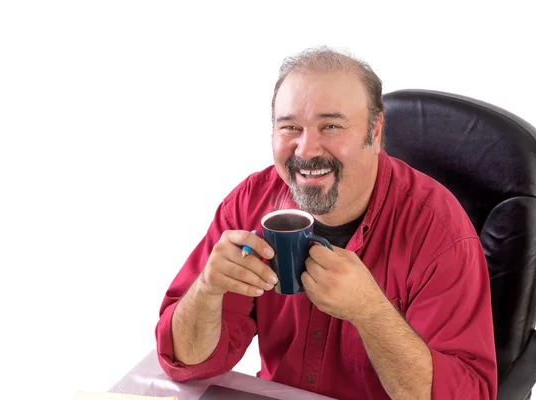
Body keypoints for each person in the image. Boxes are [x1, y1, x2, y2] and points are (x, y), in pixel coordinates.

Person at [155, 47, 497, 400]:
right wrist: (208, 290)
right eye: (290, 127)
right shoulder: (249, 202)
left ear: (375, 131)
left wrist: (370, 312)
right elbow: (185, 363)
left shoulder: (439, 231)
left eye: (331, 126)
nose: (306, 150)